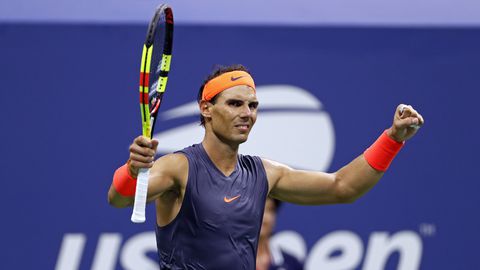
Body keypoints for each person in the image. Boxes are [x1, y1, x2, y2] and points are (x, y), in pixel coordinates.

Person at [108, 64, 424, 270]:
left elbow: (343, 187)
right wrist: (133, 170)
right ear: (206, 109)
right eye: (234, 104)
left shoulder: (264, 173)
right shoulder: (179, 167)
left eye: (253, 105)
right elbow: (120, 198)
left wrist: (393, 138)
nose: (247, 113)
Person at [257, 198, 303, 270]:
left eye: (270, 210)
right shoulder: (234, 260)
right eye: (258, 209)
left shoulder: (292, 263)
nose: (264, 217)